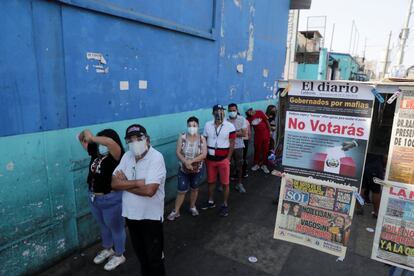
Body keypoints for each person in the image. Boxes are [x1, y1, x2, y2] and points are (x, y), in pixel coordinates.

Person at [111, 124, 166, 276]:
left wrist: (125, 184)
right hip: (131, 216)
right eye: (130, 140)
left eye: (138, 138)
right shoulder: (126, 157)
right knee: (142, 257)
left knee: (155, 260)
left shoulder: (156, 157)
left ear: (147, 140)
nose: (135, 143)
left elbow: (150, 190)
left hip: (151, 218)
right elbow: (114, 184)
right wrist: (137, 182)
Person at [78, 128, 126, 271]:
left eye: (102, 139)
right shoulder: (97, 155)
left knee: (116, 228)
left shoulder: (117, 155)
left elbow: (109, 142)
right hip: (94, 198)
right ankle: (108, 249)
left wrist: (93, 137)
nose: (101, 143)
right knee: (103, 225)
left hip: (111, 198)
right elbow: (81, 138)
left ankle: (119, 254)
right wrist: (86, 133)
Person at [167, 116, 207, 221]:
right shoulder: (182, 137)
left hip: (197, 169)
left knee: (194, 188)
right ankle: (176, 211)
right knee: (181, 190)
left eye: (194, 125)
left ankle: (192, 207)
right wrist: (185, 162)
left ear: (198, 126)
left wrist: (191, 161)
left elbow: (204, 154)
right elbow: (178, 152)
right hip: (183, 169)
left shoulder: (202, 139)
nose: (192, 127)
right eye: (189, 125)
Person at [201, 104, 236, 217]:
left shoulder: (230, 126)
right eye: (217, 111)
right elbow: (204, 141)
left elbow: (232, 143)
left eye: (221, 110)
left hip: (223, 160)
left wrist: (228, 158)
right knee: (211, 181)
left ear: (224, 112)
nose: (219, 113)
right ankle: (211, 201)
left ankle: (224, 205)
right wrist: (204, 156)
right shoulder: (207, 125)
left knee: (225, 183)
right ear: (213, 113)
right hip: (210, 160)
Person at [227, 103, 248, 193]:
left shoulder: (242, 119)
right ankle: (224, 184)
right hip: (226, 146)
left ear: (237, 110)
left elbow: (244, 134)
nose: (232, 112)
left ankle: (239, 184)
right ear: (228, 111)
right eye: (230, 110)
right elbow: (223, 133)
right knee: (226, 165)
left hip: (238, 146)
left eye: (234, 110)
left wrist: (230, 133)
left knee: (239, 165)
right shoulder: (225, 120)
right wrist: (237, 131)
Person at [246, 108, 271, 174]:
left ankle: (264, 165)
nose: (250, 113)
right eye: (248, 112)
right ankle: (256, 164)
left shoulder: (260, 112)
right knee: (257, 150)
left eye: (250, 111)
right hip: (257, 136)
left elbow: (267, 122)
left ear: (251, 109)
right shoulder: (248, 118)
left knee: (265, 150)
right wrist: (249, 136)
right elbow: (249, 128)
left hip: (266, 134)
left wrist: (270, 131)